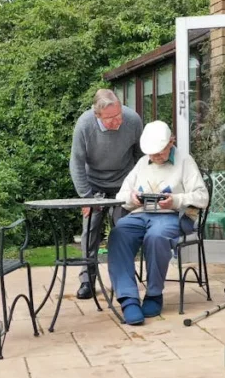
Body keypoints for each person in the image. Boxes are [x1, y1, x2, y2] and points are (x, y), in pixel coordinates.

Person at [107, 121, 209, 325]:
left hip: (172, 216)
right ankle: (129, 300)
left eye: (159, 152)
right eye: (151, 154)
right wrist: (132, 198)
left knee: (156, 236)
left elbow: (202, 197)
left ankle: (154, 294)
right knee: (118, 234)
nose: (155, 157)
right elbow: (122, 194)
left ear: (171, 142)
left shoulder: (184, 161)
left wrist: (176, 201)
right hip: (140, 214)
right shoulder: (143, 163)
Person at [69, 89, 143, 299]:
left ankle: (123, 280)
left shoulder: (132, 120)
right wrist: (87, 197)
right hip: (94, 184)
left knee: (123, 232)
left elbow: (140, 156)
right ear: (97, 115)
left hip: (124, 183)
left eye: (118, 115)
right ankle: (87, 281)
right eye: (110, 118)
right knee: (90, 231)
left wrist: (135, 187)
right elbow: (76, 163)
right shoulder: (85, 125)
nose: (117, 121)